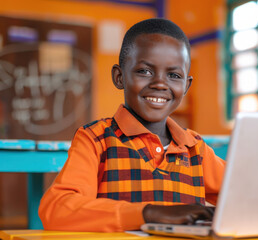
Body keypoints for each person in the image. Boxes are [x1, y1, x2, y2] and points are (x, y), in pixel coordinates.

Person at [38, 18, 225, 232]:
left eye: (173, 75)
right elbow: (57, 209)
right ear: (119, 77)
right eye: (145, 71)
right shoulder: (96, 139)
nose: (160, 84)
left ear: (186, 86)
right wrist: (149, 214)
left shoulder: (195, 149)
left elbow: (248, 195)